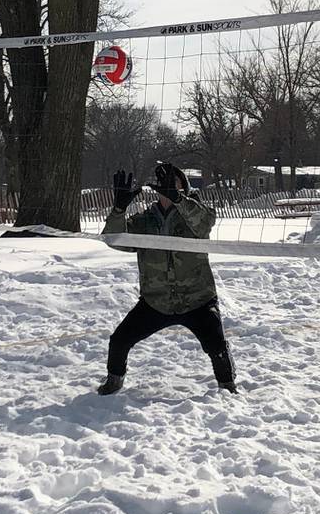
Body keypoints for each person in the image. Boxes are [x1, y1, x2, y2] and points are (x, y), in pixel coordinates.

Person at [97, 162, 236, 395]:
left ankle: (227, 385)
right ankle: (114, 380)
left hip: (197, 300)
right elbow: (114, 240)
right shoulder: (145, 221)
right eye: (163, 183)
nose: (167, 187)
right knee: (119, 341)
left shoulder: (196, 213)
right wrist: (119, 210)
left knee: (217, 347)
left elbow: (205, 224)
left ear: (184, 186)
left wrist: (180, 199)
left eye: (173, 182)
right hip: (156, 301)